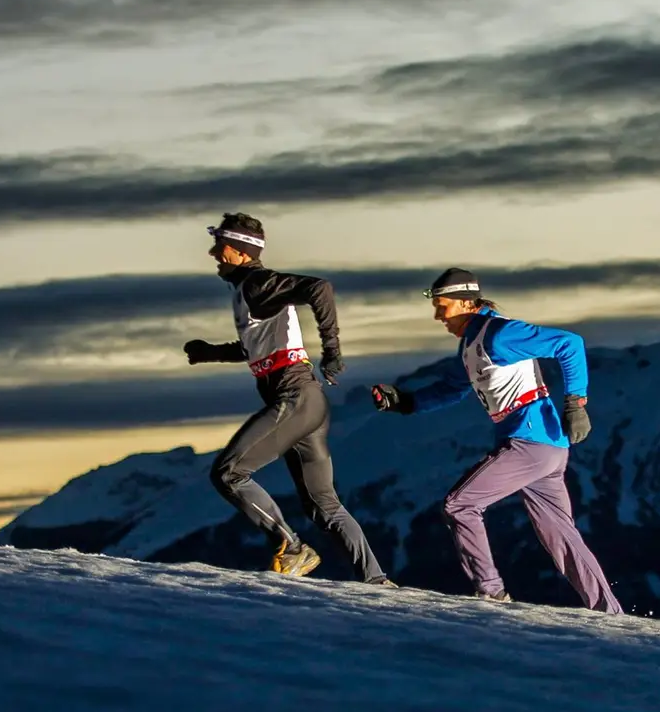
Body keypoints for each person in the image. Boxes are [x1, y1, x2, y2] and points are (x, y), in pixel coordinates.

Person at [371, 268, 622, 613]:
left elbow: (569, 344)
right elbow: (452, 389)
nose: (437, 316)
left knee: (459, 504)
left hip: (529, 443)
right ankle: (609, 612)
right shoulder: (473, 344)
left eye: (442, 307)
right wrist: (405, 402)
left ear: (464, 303)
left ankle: (491, 593)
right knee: (561, 536)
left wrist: (576, 403)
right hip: (543, 446)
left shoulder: (500, 334)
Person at [183, 212, 393, 585]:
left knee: (229, 473)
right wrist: (209, 352)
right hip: (306, 399)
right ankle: (376, 581)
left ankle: (293, 548)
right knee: (324, 506)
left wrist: (332, 350)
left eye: (221, 246)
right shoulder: (250, 290)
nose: (213, 253)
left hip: (294, 397)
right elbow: (256, 347)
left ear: (241, 251)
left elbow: (320, 288)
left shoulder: (258, 283)